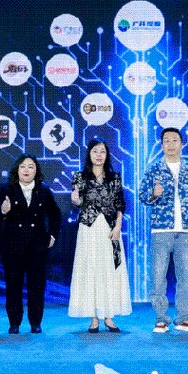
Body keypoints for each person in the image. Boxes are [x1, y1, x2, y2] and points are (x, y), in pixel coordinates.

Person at [138, 127, 188, 333]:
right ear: (161, 145)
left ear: (181, 144)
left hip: (185, 231)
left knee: (186, 276)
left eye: (174, 140)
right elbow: (142, 196)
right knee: (158, 277)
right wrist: (154, 193)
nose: (170, 144)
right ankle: (161, 319)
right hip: (161, 230)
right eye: (166, 141)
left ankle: (183, 318)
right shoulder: (154, 168)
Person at [69, 140, 132, 333]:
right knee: (90, 270)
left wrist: (118, 226)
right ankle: (94, 318)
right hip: (89, 228)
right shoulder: (80, 177)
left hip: (110, 228)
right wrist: (75, 200)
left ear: (107, 155)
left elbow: (120, 203)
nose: (98, 155)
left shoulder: (114, 177)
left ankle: (109, 317)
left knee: (110, 269)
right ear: (89, 154)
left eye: (102, 151)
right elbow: (78, 202)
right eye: (95, 151)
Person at [0, 155, 61, 334]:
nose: (26, 170)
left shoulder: (44, 190)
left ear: (36, 171)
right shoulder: (6, 188)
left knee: (37, 285)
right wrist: (3, 209)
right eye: (23, 166)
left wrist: (53, 235)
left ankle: (35, 322)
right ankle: (14, 322)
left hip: (37, 245)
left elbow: (55, 215)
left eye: (31, 166)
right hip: (13, 244)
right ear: (17, 169)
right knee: (13, 285)